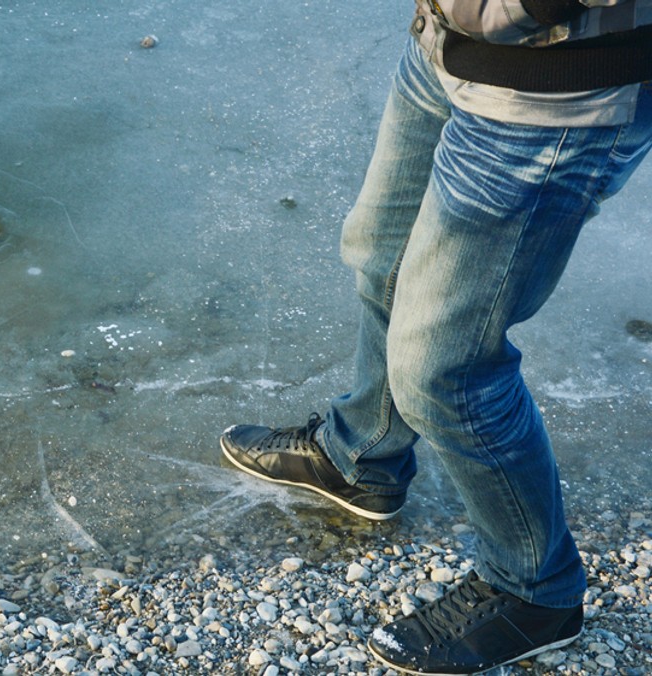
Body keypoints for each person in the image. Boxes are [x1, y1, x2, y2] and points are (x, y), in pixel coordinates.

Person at [220, 0, 652, 673]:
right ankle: (361, 456)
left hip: (553, 93)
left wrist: (511, 8)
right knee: (381, 260)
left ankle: (535, 589)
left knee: (447, 368)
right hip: (446, 49)